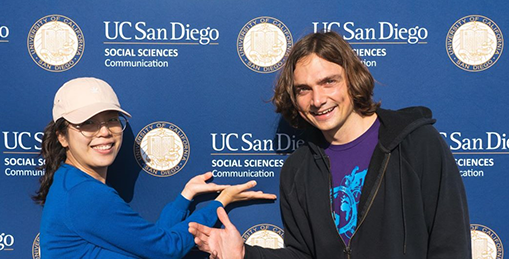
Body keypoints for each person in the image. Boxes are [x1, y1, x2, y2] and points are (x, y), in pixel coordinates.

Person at [189, 31, 471, 258]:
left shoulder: (416, 143)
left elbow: (451, 244)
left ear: (353, 79)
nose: (317, 100)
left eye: (328, 82)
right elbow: (302, 254)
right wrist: (244, 255)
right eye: (304, 89)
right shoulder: (298, 169)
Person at [33, 77, 276, 259]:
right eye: (88, 123)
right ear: (62, 136)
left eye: (111, 119)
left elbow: (149, 244)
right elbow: (165, 249)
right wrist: (219, 203)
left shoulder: (72, 183)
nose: (104, 131)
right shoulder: (84, 194)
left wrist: (185, 197)